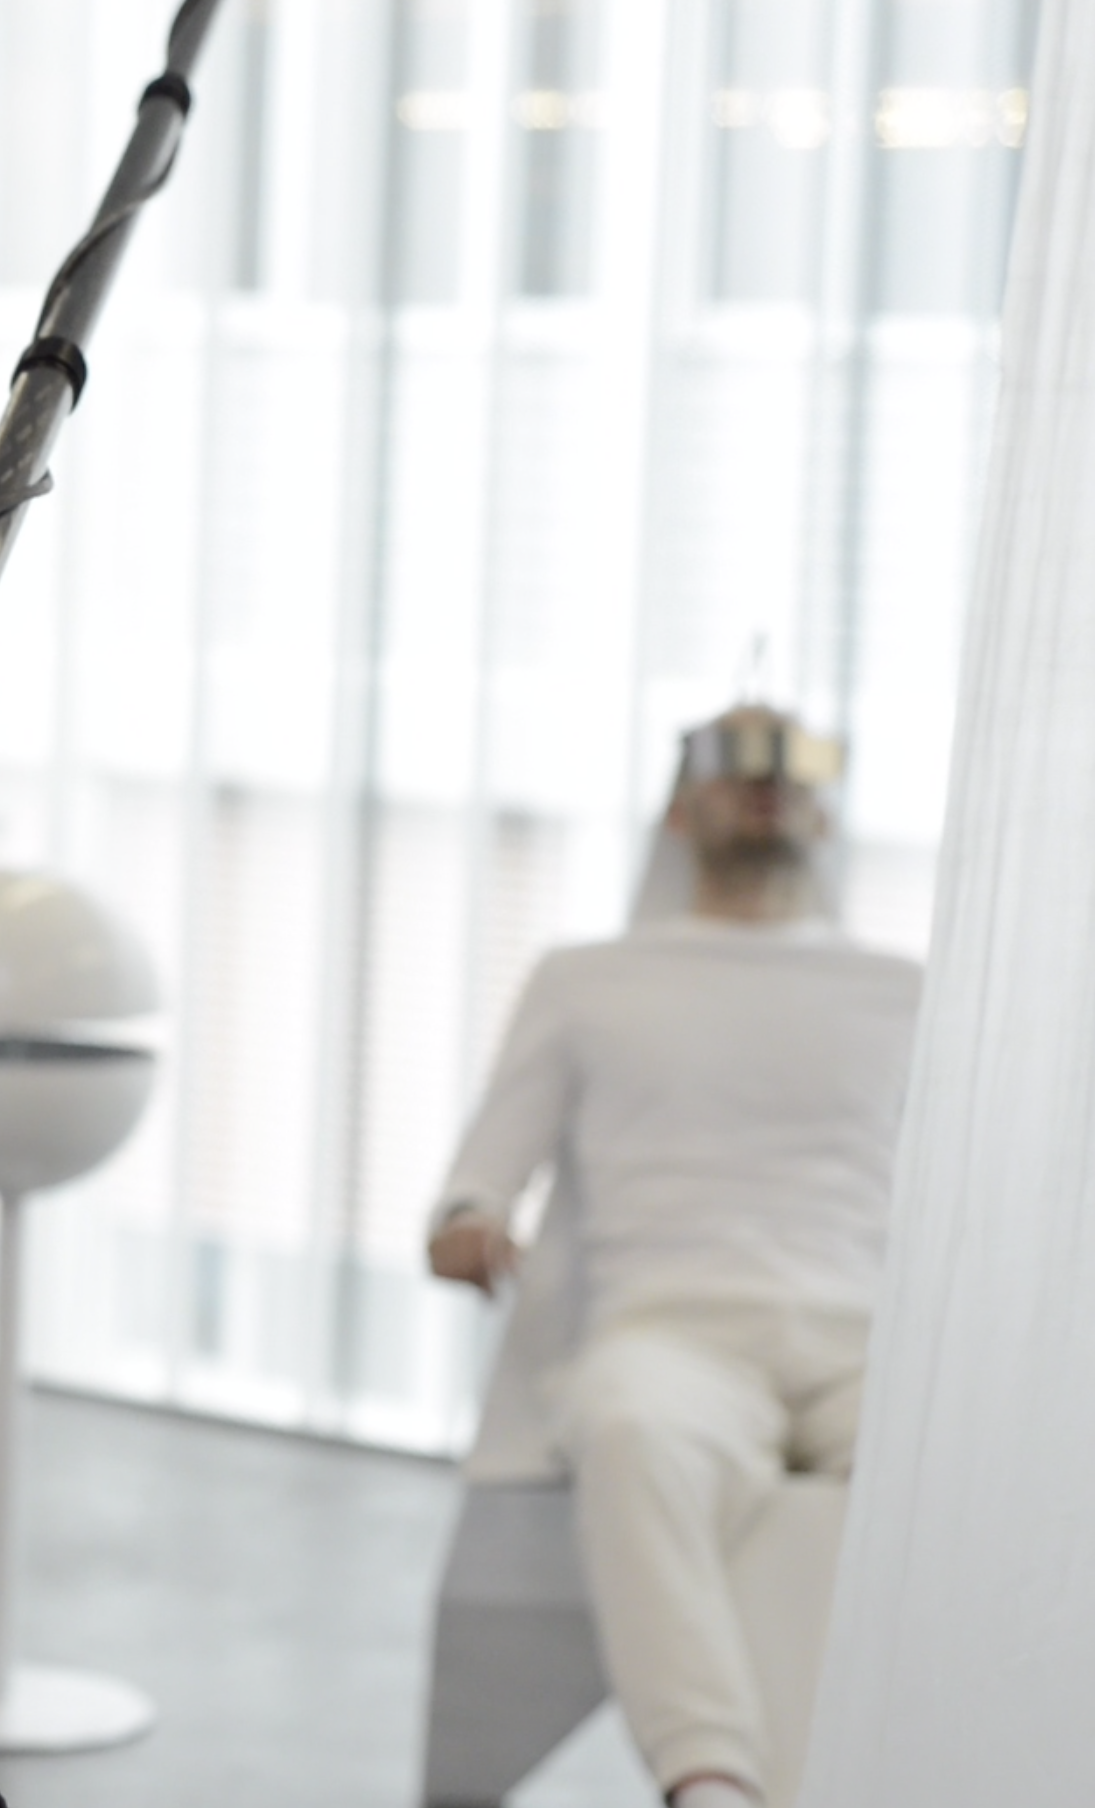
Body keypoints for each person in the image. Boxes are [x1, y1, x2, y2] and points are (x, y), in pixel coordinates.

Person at [428, 705, 922, 1808]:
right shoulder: (588, 977)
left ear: (827, 810)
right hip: (673, 1331)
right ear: (682, 807)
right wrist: (469, 1218)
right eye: (737, 764)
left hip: (862, 1339)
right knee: (630, 1430)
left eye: (790, 766)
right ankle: (710, 1777)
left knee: (954, 1463)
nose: (765, 784)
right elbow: (481, 1171)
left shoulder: (902, 988)